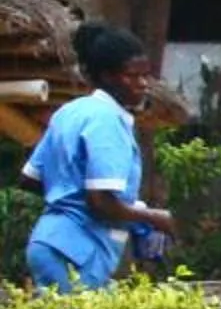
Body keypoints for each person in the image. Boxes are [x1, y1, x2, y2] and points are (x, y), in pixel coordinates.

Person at [23, 21, 174, 291]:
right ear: (106, 76)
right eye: (132, 76)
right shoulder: (107, 120)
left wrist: (69, 195)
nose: (142, 85)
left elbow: (31, 179)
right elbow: (101, 201)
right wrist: (154, 218)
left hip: (47, 242)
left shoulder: (71, 111)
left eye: (145, 76)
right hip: (78, 251)